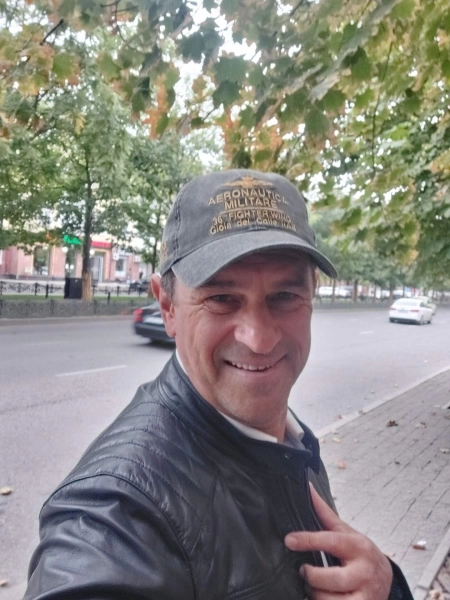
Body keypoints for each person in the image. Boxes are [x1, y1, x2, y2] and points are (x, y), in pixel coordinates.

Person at [25, 170, 413, 600]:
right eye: (222, 299)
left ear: (311, 294)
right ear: (168, 307)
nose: (259, 339)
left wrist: (385, 584)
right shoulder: (116, 509)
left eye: (284, 297)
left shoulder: (287, 437)